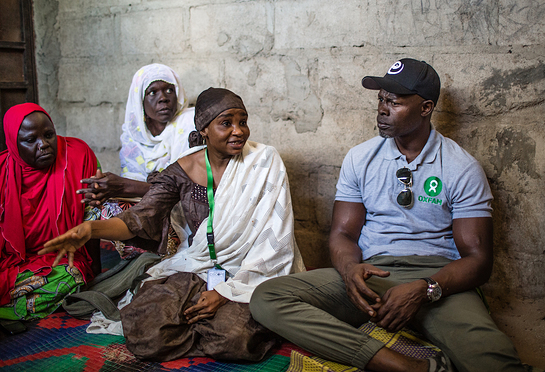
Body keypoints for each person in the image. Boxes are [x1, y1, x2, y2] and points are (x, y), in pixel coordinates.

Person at [250, 59, 531, 372]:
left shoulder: (461, 168)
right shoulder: (360, 158)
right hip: (374, 274)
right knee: (268, 298)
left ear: (425, 108)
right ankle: (406, 366)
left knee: (496, 365)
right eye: (380, 100)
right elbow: (343, 234)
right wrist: (350, 271)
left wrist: (425, 289)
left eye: (394, 102)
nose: (382, 110)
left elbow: (478, 261)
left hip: (437, 283)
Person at [41, 88, 305, 362]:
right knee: (146, 333)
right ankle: (205, 328)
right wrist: (91, 230)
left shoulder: (264, 162)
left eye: (243, 122)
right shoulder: (181, 170)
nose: (238, 131)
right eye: (226, 123)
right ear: (203, 129)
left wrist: (226, 294)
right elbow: (137, 219)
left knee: (232, 340)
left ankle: (214, 326)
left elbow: (274, 242)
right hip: (198, 266)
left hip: (250, 272)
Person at [79, 63, 195, 257]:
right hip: (151, 203)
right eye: (152, 93)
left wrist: (124, 186)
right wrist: (106, 191)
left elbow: (187, 190)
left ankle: (162, 253)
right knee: (99, 207)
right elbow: (135, 187)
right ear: (139, 100)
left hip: (185, 210)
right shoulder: (133, 136)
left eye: (169, 90)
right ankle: (93, 269)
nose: (163, 99)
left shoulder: (190, 125)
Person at [0, 103, 98, 320]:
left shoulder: (77, 155)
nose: (43, 145)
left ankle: (9, 312)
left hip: (61, 258)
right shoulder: (2, 174)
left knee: (71, 277)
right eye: (30, 140)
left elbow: (93, 214)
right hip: (15, 262)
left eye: (48, 135)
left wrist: (95, 272)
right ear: (13, 144)